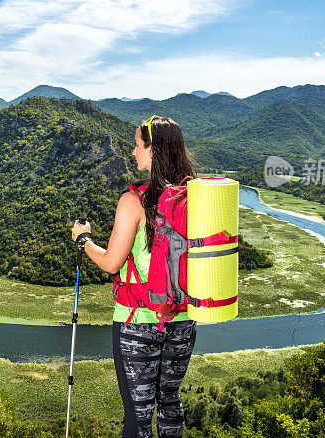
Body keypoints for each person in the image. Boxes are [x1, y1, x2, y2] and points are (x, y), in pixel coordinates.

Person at [71, 115, 197, 438]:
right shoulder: (194, 199)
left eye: (138, 145)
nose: (132, 151)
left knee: (137, 417)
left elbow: (113, 262)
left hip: (137, 323)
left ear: (153, 150)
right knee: (170, 402)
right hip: (183, 322)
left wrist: (83, 241)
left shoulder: (133, 202)